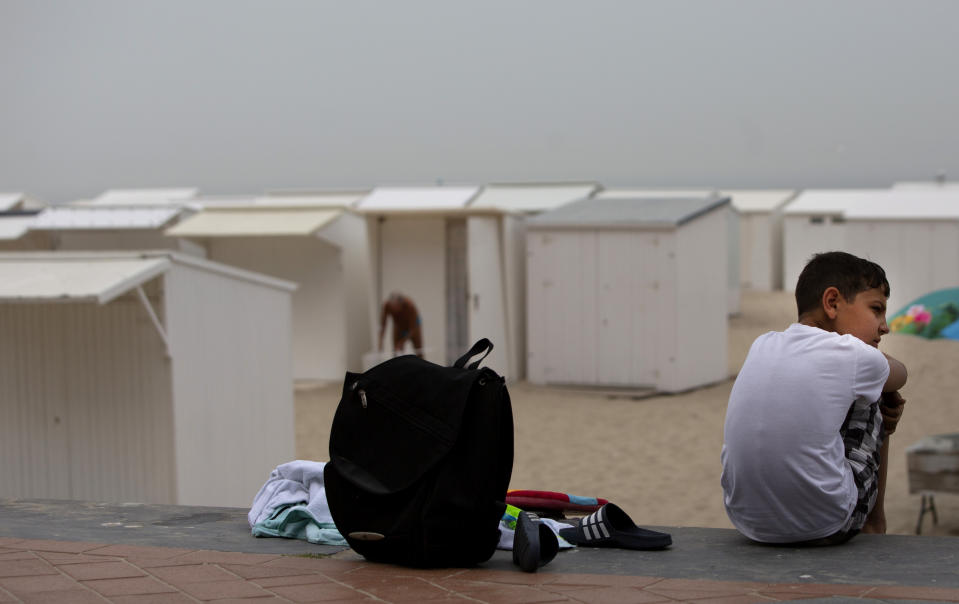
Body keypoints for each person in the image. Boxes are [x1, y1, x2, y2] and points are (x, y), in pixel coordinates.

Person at [721, 251, 908, 545]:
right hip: (826, 523)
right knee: (876, 394)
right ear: (832, 302)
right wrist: (883, 385)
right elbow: (901, 374)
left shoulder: (763, 343)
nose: (884, 326)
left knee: (848, 390)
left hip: (748, 521)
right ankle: (875, 523)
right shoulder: (855, 355)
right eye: (876, 310)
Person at [378, 293, 423, 357]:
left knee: (419, 350)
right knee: (396, 351)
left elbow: (412, 328)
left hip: (414, 326)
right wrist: (380, 341)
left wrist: (403, 342)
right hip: (398, 326)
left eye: (396, 307)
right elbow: (383, 324)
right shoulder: (387, 305)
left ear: (401, 304)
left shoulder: (410, 305)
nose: (395, 311)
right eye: (392, 308)